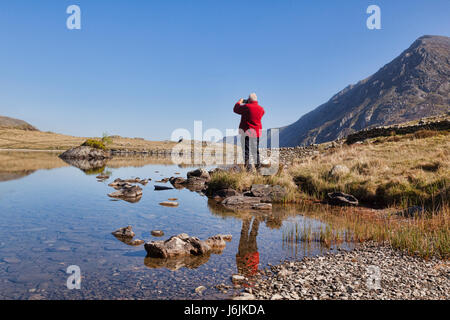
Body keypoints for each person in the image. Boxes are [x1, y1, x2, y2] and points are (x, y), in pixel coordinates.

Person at [233, 93, 265, 170]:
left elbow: (235, 109)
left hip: (246, 132)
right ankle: (258, 169)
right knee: (255, 151)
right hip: (256, 133)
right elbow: (262, 113)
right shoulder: (261, 109)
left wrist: (239, 101)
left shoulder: (246, 107)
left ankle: (248, 169)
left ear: (249, 100)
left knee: (246, 151)